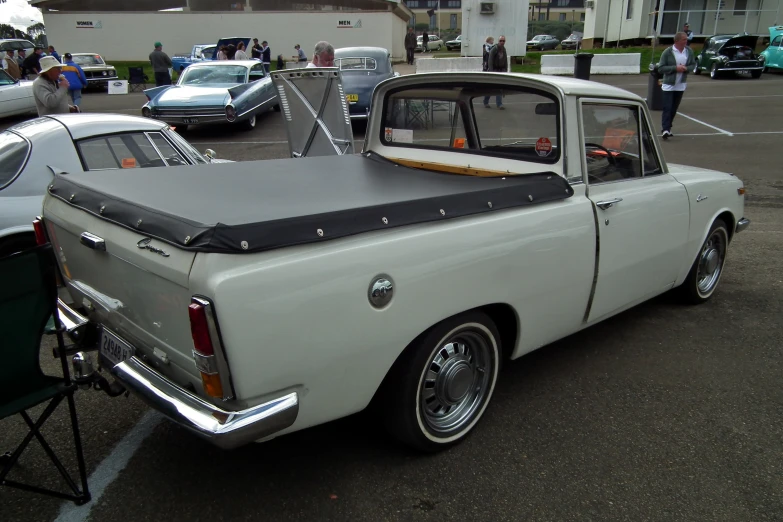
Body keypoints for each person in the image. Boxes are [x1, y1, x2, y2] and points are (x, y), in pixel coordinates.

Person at [657, 31, 696, 140]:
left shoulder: (688, 51)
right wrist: (675, 68)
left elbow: (693, 64)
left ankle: (668, 127)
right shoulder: (668, 52)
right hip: (668, 85)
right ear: (677, 41)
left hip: (680, 84)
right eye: (684, 39)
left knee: (674, 108)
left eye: (686, 39)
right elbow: (661, 68)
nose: (686, 41)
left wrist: (686, 69)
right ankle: (665, 129)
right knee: (667, 107)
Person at [484, 35, 507, 109]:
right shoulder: (494, 49)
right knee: (490, 88)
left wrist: (505, 70)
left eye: (503, 41)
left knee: (499, 88)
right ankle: (486, 102)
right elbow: (490, 60)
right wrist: (491, 72)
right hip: (494, 70)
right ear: (498, 41)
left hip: (501, 71)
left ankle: (499, 104)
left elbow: (505, 60)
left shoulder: (504, 49)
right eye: (501, 41)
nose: (502, 42)